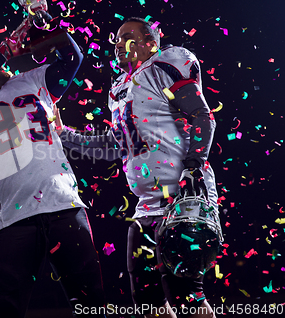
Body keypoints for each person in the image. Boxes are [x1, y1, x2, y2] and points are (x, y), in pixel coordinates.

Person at [0, 0, 106, 318]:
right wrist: (1, 53)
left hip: (64, 205)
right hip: (14, 218)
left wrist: (45, 20)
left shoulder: (30, 80)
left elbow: (72, 56)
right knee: (7, 310)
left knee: (93, 304)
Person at [58, 17, 220, 318]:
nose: (118, 43)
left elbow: (202, 115)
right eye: (116, 38)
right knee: (147, 302)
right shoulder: (120, 88)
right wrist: (63, 134)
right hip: (146, 207)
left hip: (182, 199)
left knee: (187, 297)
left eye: (127, 36)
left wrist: (193, 167)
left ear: (150, 42)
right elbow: (115, 145)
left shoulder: (165, 65)